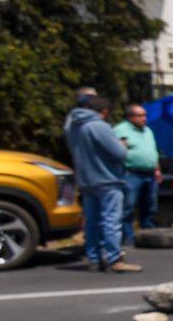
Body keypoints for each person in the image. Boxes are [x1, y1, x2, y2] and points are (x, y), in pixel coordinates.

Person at [62, 95, 140, 274]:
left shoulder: (72, 126)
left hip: (86, 179)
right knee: (111, 219)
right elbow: (119, 154)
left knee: (92, 220)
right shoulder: (98, 126)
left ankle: (94, 258)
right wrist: (122, 145)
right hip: (107, 179)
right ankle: (114, 259)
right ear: (103, 111)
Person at [115, 103, 161, 246]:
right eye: (140, 116)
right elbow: (117, 152)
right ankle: (127, 237)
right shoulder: (120, 130)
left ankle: (148, 233)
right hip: (131, 173)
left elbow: (153, 151)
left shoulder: (148, 131)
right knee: (128, 206)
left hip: (149, 173)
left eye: (145, 115)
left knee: (150, 205)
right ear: (130, 117)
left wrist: (157, 168)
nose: (144, 118)